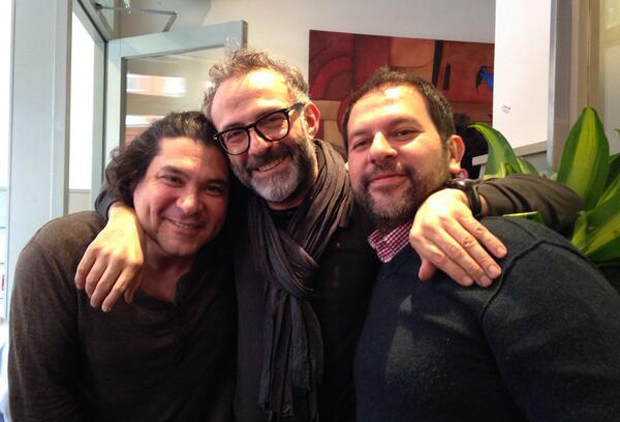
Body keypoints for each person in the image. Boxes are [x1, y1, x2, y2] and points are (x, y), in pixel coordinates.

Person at [80, 50, 583, 422]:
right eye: (235, 134)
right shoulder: (231, 213)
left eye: (272, 121)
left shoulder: (373, 202)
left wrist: (460, 198)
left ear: (309, 119)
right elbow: (135, 183)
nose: (257, 147)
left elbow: (559, 197)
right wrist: (120, 215)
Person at [344, 67, 620, 422]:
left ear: (453, 151)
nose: (379, 151)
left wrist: (463, 196)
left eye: (403, 132)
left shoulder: (515, 258)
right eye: (361, 142)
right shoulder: (384, 257)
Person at [9, 112, 236, 422]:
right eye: (172, 179)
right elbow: (41, 405)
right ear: (132, 183)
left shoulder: (232, 256)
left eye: (213, 189)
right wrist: (121, 214)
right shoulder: (59, 253)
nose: (190, 204)